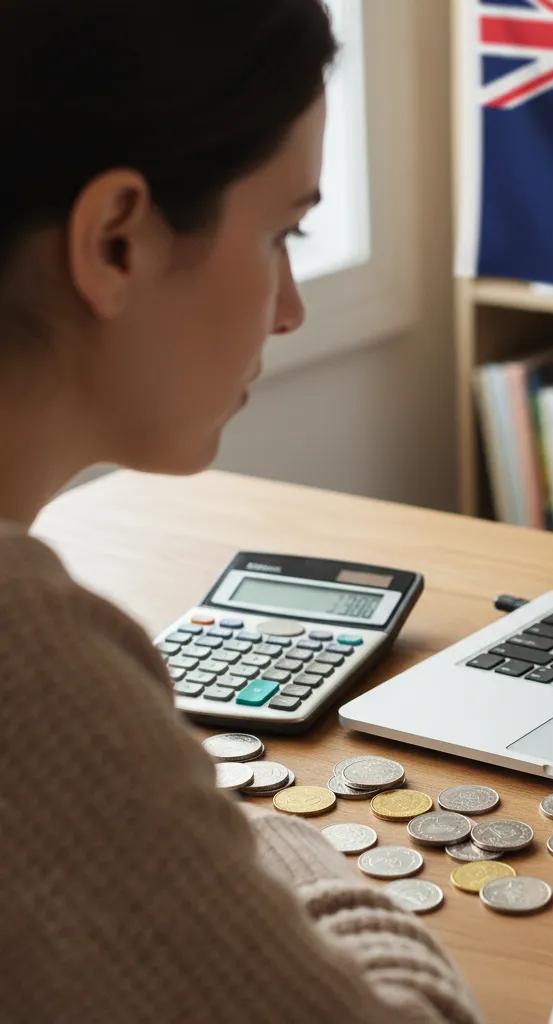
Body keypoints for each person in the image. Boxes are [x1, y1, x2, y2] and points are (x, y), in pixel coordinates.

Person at [0, 1, 483, 1021]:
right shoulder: (23, 649)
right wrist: (281, 850)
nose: (291, 304)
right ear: (116, 241)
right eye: (282, 231)